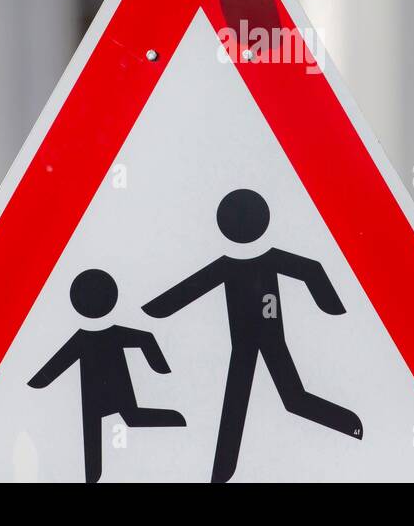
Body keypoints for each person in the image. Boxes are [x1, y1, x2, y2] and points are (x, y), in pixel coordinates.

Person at [143, 189, 362, 483]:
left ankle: (350, 424)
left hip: (269, 341)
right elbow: (189, 290)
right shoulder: (233, 266)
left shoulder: (252, 264)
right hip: (245, 345)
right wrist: (155, 309)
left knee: (288, 399)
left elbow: (310, 270)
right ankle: (222, 471)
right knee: (247, 400)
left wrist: (333, 307)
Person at [29, 268, 185, 483]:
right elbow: (146, 339)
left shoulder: (85, 339)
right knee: (113, 426)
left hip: (103, 391)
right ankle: (93, 475)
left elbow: (56, 365)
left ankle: (176, 420)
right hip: (98, 393)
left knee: (124, 421)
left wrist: (38, 383)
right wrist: (159, 366)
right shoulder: (97, 336)